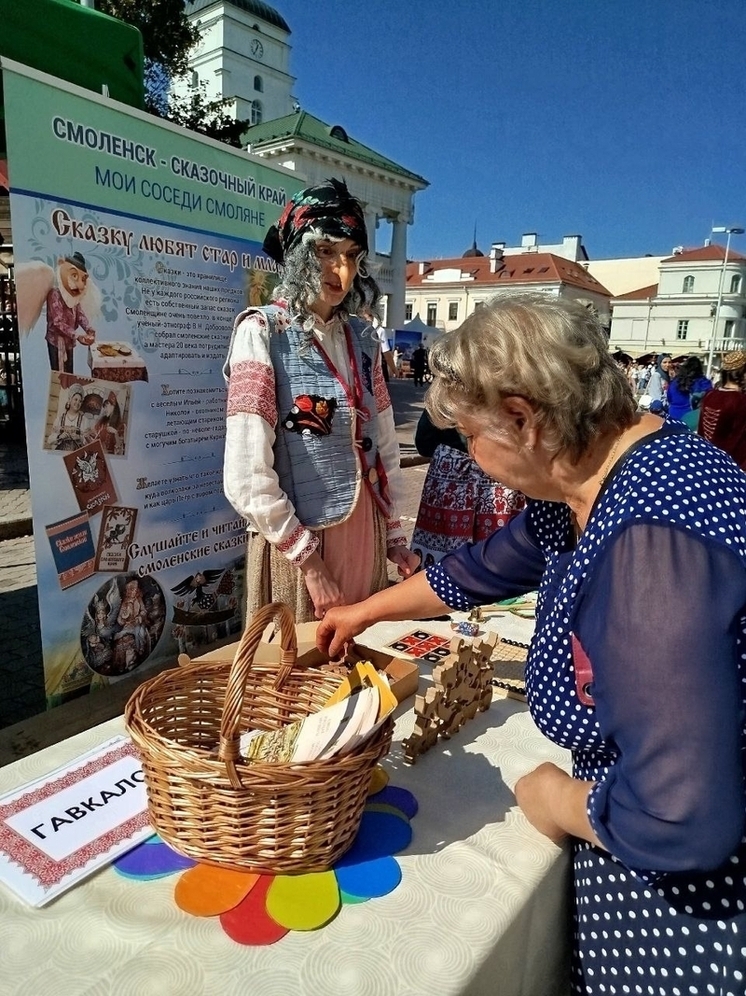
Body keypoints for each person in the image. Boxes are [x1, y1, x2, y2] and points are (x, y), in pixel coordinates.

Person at [317, 293, 746, 996]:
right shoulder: (597, 482)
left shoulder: (650, 543)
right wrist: (364, 611)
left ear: (522, 419)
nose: (473, 459)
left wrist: (558, 800)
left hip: (694, 926)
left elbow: (684, 822)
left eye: (472, 438)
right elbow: (479, 569)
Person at [223, 178, 418, 623]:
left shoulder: (364, 340)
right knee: (299, 675)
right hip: (300, 544)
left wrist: (393, 538)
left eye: (351, 255)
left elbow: (384, 443)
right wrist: (309, 562)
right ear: (296, 254)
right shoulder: (261, 333)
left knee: (361, 668)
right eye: (325, 252)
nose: (342, 272)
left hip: (363, 533)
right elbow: (246, 474)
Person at [411, 409, 526, 567]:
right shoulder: (513, 389)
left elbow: (424, 442)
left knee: (443, 562)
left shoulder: (449, 389)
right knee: (503, 556)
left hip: (451, 480)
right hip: (501, 478)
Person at [698, 349, 746, 469]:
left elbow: (702, 433)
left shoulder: (710, 395)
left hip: (707, 460)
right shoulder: (740, 401)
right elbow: (738, 439)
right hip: (733, 467)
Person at [666, 355, 713, 421]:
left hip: (674, 417)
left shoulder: (675, 381)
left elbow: (669, 398)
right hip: (693, 419)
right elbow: (710, 400)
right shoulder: (703, 382)